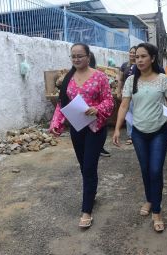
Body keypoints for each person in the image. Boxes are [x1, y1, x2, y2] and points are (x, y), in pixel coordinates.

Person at [112, 43, 167, 232]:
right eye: (137, 56)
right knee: (145, 169)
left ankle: (157, 211)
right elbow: (124, 106)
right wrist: (118, 129)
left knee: (156, 170)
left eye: (143, 56)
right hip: (139, 133)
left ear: (152, 58)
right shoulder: (131, 80)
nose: (139, 60)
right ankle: (150, 199)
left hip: (159, 131)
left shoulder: (163, 80)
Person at [50, 43, 114, 228]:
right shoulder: (68, 78)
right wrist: (56, 123)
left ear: (88, 56)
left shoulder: (100, 77)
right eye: (73, 56)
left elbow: (109, 102)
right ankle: (91, 192)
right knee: (84, 166)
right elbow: (62, 104)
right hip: (77, 129)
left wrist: (97, 109)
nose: (77, 59)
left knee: (88, 167)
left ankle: (86, 211)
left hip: (95, 129)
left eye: (80, 56)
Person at [89, 51, 111, 157]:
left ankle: (100, 148)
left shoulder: (99, 76)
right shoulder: (73, 77)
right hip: (80, 118)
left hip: (97, 115)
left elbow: (108, 99)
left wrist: (98, 108)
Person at [117, 46, 137, 145]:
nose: (132, 54)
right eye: (131, 52)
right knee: (129, 114)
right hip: (126, 93)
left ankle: (137, 134)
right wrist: (118, 91)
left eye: (134, 53)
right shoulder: (124, 65)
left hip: (137, 92)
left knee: (136, 113)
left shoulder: (139, 65)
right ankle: (130, 135)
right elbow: (120, 80)